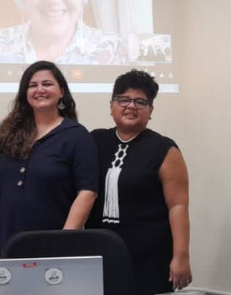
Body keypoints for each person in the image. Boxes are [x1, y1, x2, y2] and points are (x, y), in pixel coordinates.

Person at [86, 70, 192, 295]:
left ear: (151, 110)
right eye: (123, 99)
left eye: (140, 102)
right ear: (111, 105)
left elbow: (178, 206)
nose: (131, 106)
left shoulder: (164, 149)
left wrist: (181, 256)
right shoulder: (95, 140)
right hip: (100, 252)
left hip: (149, 257)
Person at [0, 60, 99, 254]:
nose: (40, 90)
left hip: (55, 245)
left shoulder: (77, 136)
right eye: (33, 85)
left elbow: (87, 192)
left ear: (62, 92)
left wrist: (64, 240)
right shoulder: (9, 133)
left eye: (47, 84)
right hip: (11, 243)